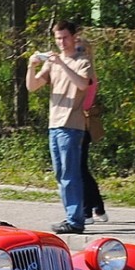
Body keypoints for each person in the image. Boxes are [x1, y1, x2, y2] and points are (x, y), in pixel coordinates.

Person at [26, 20, 93, 234]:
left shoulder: (83, 61)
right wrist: (32, 65)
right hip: (54, 124)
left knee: (70, 174)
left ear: (73, 37)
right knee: (60, 174)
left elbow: (83, 84)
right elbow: (33, 86)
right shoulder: (52, 63)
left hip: (72, 125)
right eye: (58, 38)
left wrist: (62, 64)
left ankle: (75, 220)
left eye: (65, 37)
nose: (61, 42)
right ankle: (72, 216)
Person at [76, 38, 108, 223]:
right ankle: (98, 207)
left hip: (82, 124)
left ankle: (87, 210)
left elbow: (84, 102)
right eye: (76, 49)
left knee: (80, 170)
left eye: (81, 49)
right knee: (81, 169)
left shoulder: (88, 75)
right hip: (76, 123)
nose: (78, 52)